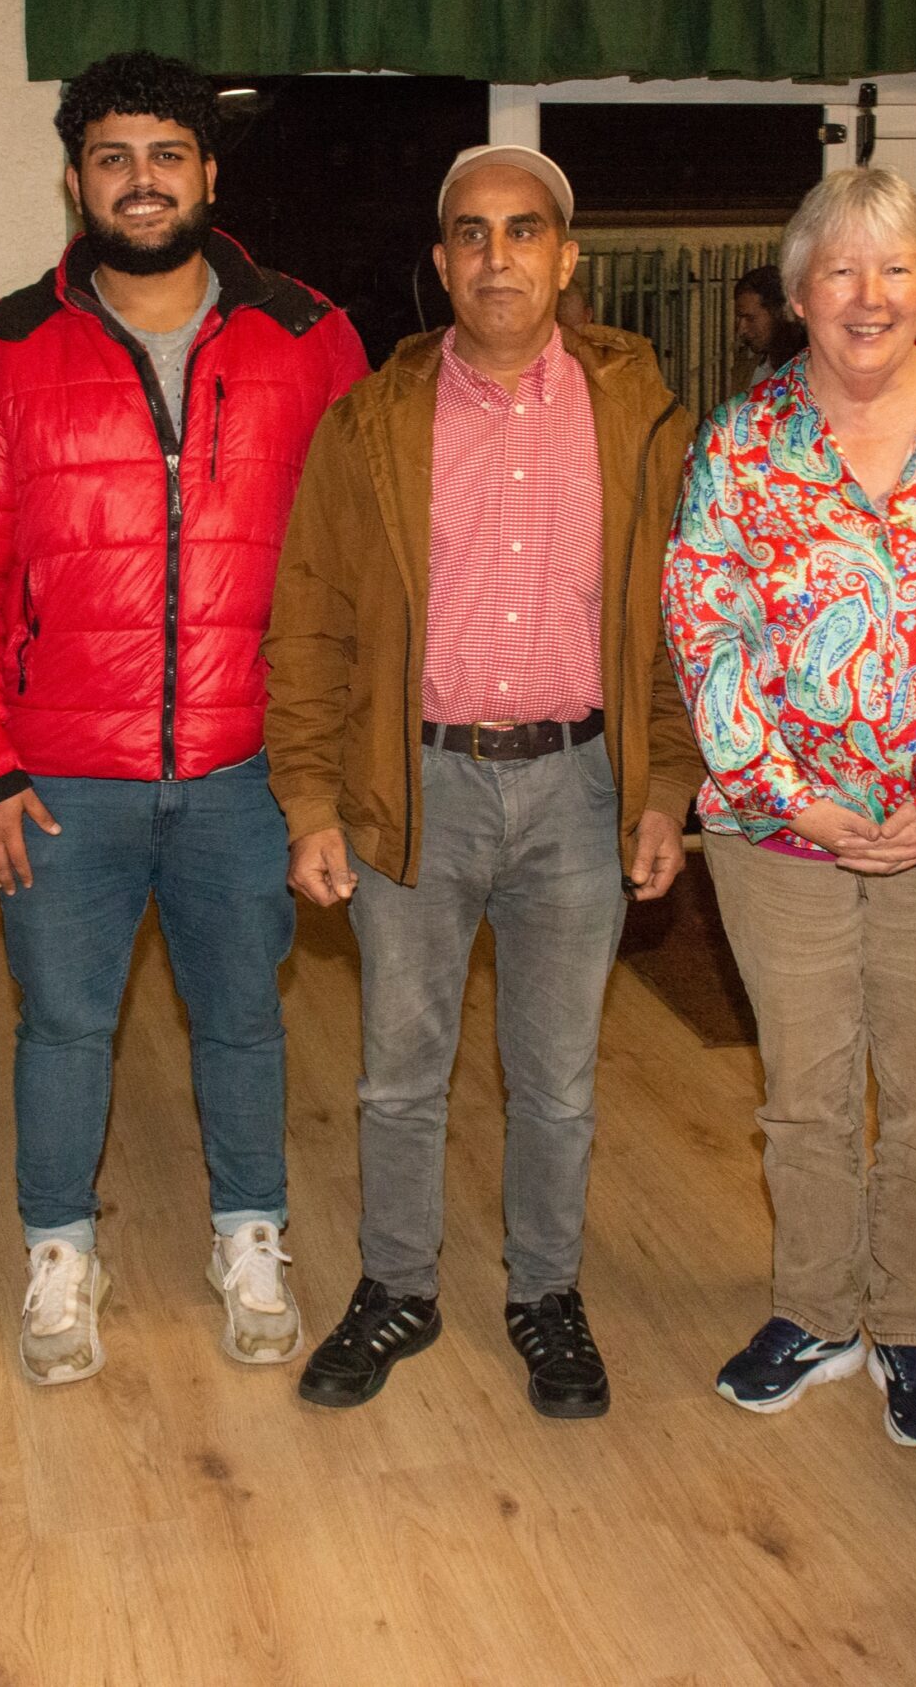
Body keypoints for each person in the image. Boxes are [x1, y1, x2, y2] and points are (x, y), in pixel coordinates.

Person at [0, 51, 366, 1386]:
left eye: (167, 155)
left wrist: (328, 772)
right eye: (112, 158)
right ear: (75, 180)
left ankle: (250, 1234)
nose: (142, 180)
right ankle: (60, 1250)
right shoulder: (7, 349)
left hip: (246, 767)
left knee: (243, 1018)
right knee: (61, 1025)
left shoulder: (308, 336)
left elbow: (360, 568)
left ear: (208, 173)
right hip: (61, 779)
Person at [266, 144, 700, 1419]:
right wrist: (310, 802)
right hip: (415, 789)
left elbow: (680, 622)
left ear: (566, 260)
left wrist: (666, 785)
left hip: (582, 788)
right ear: (442, 260)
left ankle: (546, 1293)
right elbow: (309, 622)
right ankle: (397, 1283)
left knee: (557, 1079)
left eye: (523, 231)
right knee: (399, 1073)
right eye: (470, 232)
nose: (495, 255)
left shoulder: (643, 418)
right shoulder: (370, 424)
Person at [665, 166, 916, 1451]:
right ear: (796, 294)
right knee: (805, 1095)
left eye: (892, 268)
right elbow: (705, 628)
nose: (867, 294)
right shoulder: (740, 441)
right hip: (780, 839)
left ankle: (911, 1324)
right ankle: (815, 1310)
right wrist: (793, 797)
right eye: (839, 269)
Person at [733, 263, 801, 385]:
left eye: (750, 319)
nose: (741, 330)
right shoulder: (752, 361)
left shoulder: (805, 369)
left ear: (778, 313)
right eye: (739, 318)